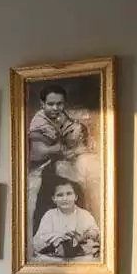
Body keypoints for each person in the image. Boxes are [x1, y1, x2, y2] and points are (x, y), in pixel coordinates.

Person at [27, 83, 95, 235]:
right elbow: (40, 152)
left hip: (60, 163)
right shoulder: (39, 122)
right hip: (43, 167)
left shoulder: (62, 116)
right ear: (42, 104)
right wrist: (61, 149)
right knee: (53, 189)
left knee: (79, 185)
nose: (55, 108)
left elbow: (72, 137)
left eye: (59, 104)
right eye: (50, 104)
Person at [33, 180, 100, 260]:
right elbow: (37, 241)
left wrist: (85, 236)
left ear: (75, 197)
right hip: (55, 258)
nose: (65, 198)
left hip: (80, 258)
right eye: (60, 195)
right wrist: (58, 236)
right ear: (54, 199)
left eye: (69, 194)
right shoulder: (49, 215)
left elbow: (95, 234)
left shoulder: (85, 215)